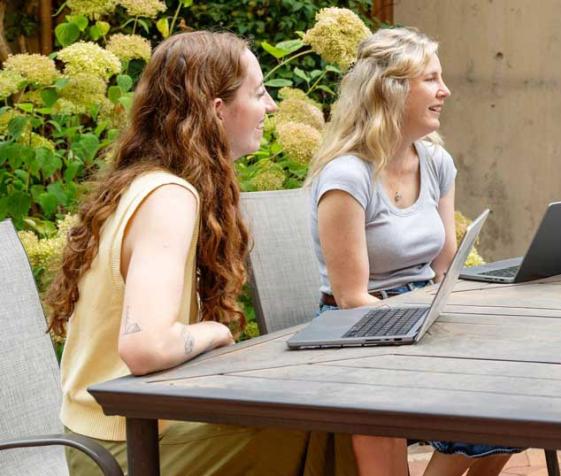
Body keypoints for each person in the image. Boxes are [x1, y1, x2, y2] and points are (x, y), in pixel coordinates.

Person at [47, 31, 355, 475]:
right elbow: (145, 347)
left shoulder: (144, 183)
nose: (270, 106)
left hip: (120, 432)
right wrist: (213, 331)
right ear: (217, 109)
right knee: (332, 416)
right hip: (127, 447)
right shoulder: (168, 197)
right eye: (259, 93)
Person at [306, 27, 519, 476]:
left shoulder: (436, 161)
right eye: (431, 79)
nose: (445, 91)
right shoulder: (347, 176)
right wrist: (422, 326)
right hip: (355, 326)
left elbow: (444, 270)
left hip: (421, 307)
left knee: (514, 388)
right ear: (392, 90)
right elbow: (350, 297)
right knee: (388, 395)